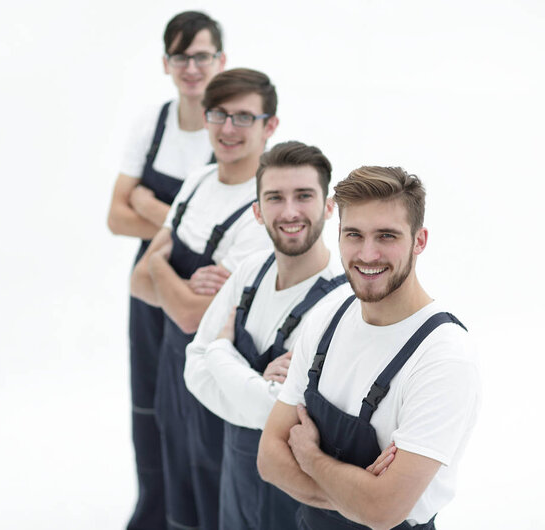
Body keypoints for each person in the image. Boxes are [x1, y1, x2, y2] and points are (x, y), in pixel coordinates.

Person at [258, 166, 480, 530]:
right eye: (354, 235)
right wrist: (360, 493)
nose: (368, 253)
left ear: (419, 241)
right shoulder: (328, 316)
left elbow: (383, 512)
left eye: (387, 236)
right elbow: (270, 459)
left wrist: (311, 458)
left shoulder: (443, 357)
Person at [131, 68, 278, 530]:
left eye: (243, 117)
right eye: (218, 114)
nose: (228, 129)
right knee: (177, 490)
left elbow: (195, 316)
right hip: (175, 374)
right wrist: (160, 268)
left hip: (221, 382)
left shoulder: (267, 208)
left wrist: (163, 263)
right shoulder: (197, 181)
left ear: (269, 125)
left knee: (221, 501)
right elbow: (138, 282)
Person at [183, 141, 351, 529]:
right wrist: (259, 390)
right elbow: (194, 368)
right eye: (275, 198)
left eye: (304, 196)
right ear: (258, 212)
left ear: (329, 207)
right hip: (236, 484)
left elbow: (283, 415)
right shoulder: (249, 272)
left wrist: (222, 354)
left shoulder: (342, 303)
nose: (289, 211)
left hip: (296, 499)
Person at [106, 11, 225, 529]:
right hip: (147, 282)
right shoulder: (151, 124)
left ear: (220, 61)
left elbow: (224, 226)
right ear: (165, 63)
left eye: (201, 56)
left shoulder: (228, 132)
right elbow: (114, 216)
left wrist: (152, 206)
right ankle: (153, 513)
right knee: (148, 406)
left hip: (204, 287)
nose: (191, 67)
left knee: (196, 408)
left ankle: (195, 517)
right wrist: (183, 219)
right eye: (181, 56)